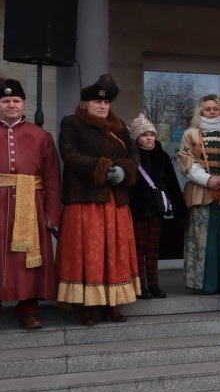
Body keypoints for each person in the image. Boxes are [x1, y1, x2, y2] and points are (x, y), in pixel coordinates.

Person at [56, 74, 141, 325]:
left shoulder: (119, 128)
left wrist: (125, 170)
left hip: (116, 200)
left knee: (114, 252)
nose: (103, 107)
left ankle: (111, 303)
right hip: (85, 199)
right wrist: (104, 169)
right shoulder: (72, 123)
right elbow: (70, 154)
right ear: (86, 105)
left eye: (106, 103)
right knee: (88, 252)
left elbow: (134, 154)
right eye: (97, 103)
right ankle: (86, 305)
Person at [0, 76, 60, 330]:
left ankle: (27, 308)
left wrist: (52, 214)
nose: (10, 104)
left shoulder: (41, 136)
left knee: (26, 259)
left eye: (15, 100)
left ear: (24, 104)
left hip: (31, 205)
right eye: (5, 101)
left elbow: (53, 179)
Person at [177, 95, 220, 294]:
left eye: (215, 108)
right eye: (207, 109)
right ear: (200, 112)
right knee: (201, 238)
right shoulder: (191, 134)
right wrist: (207, 179)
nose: (212, 112)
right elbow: (185, 160)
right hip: (200, 192)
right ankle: (203, 283)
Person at [127, 114, 186, 299]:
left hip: (156, 211)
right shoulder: (130, 158)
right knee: (138, 251)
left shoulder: (162, 156)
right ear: (136, 138)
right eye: (144, 135)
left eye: (152, 134)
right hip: (136, 211)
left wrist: (180, 211)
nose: (149, 138)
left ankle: (154, 285)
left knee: (153, 251)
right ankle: (140, 286)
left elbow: (173, 185)